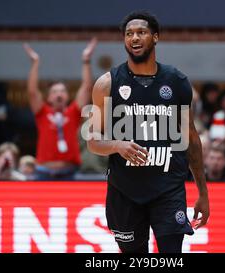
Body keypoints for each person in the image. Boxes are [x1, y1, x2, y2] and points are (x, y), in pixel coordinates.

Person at [87, 11, 209, 253]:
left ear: (155, 37)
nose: (134, 38)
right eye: (129, 34)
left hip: (168, 187)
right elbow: (92, 141)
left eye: (141, 32)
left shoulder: (176, 81)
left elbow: (192, 140)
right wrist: (116, 145)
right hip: (125, 191)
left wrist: (202, 192)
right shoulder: (106, 84)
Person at [23, 38, 97, 180]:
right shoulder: (42, 112)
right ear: (49, 98)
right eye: (54, 92)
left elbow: (87, 88)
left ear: (67, 96)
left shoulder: (73, 112)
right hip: (43, 172)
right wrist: (35, 63)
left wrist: (86, 60)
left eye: (62, 91)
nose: (58, 94)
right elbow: (32, 92)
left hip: (70, 172)